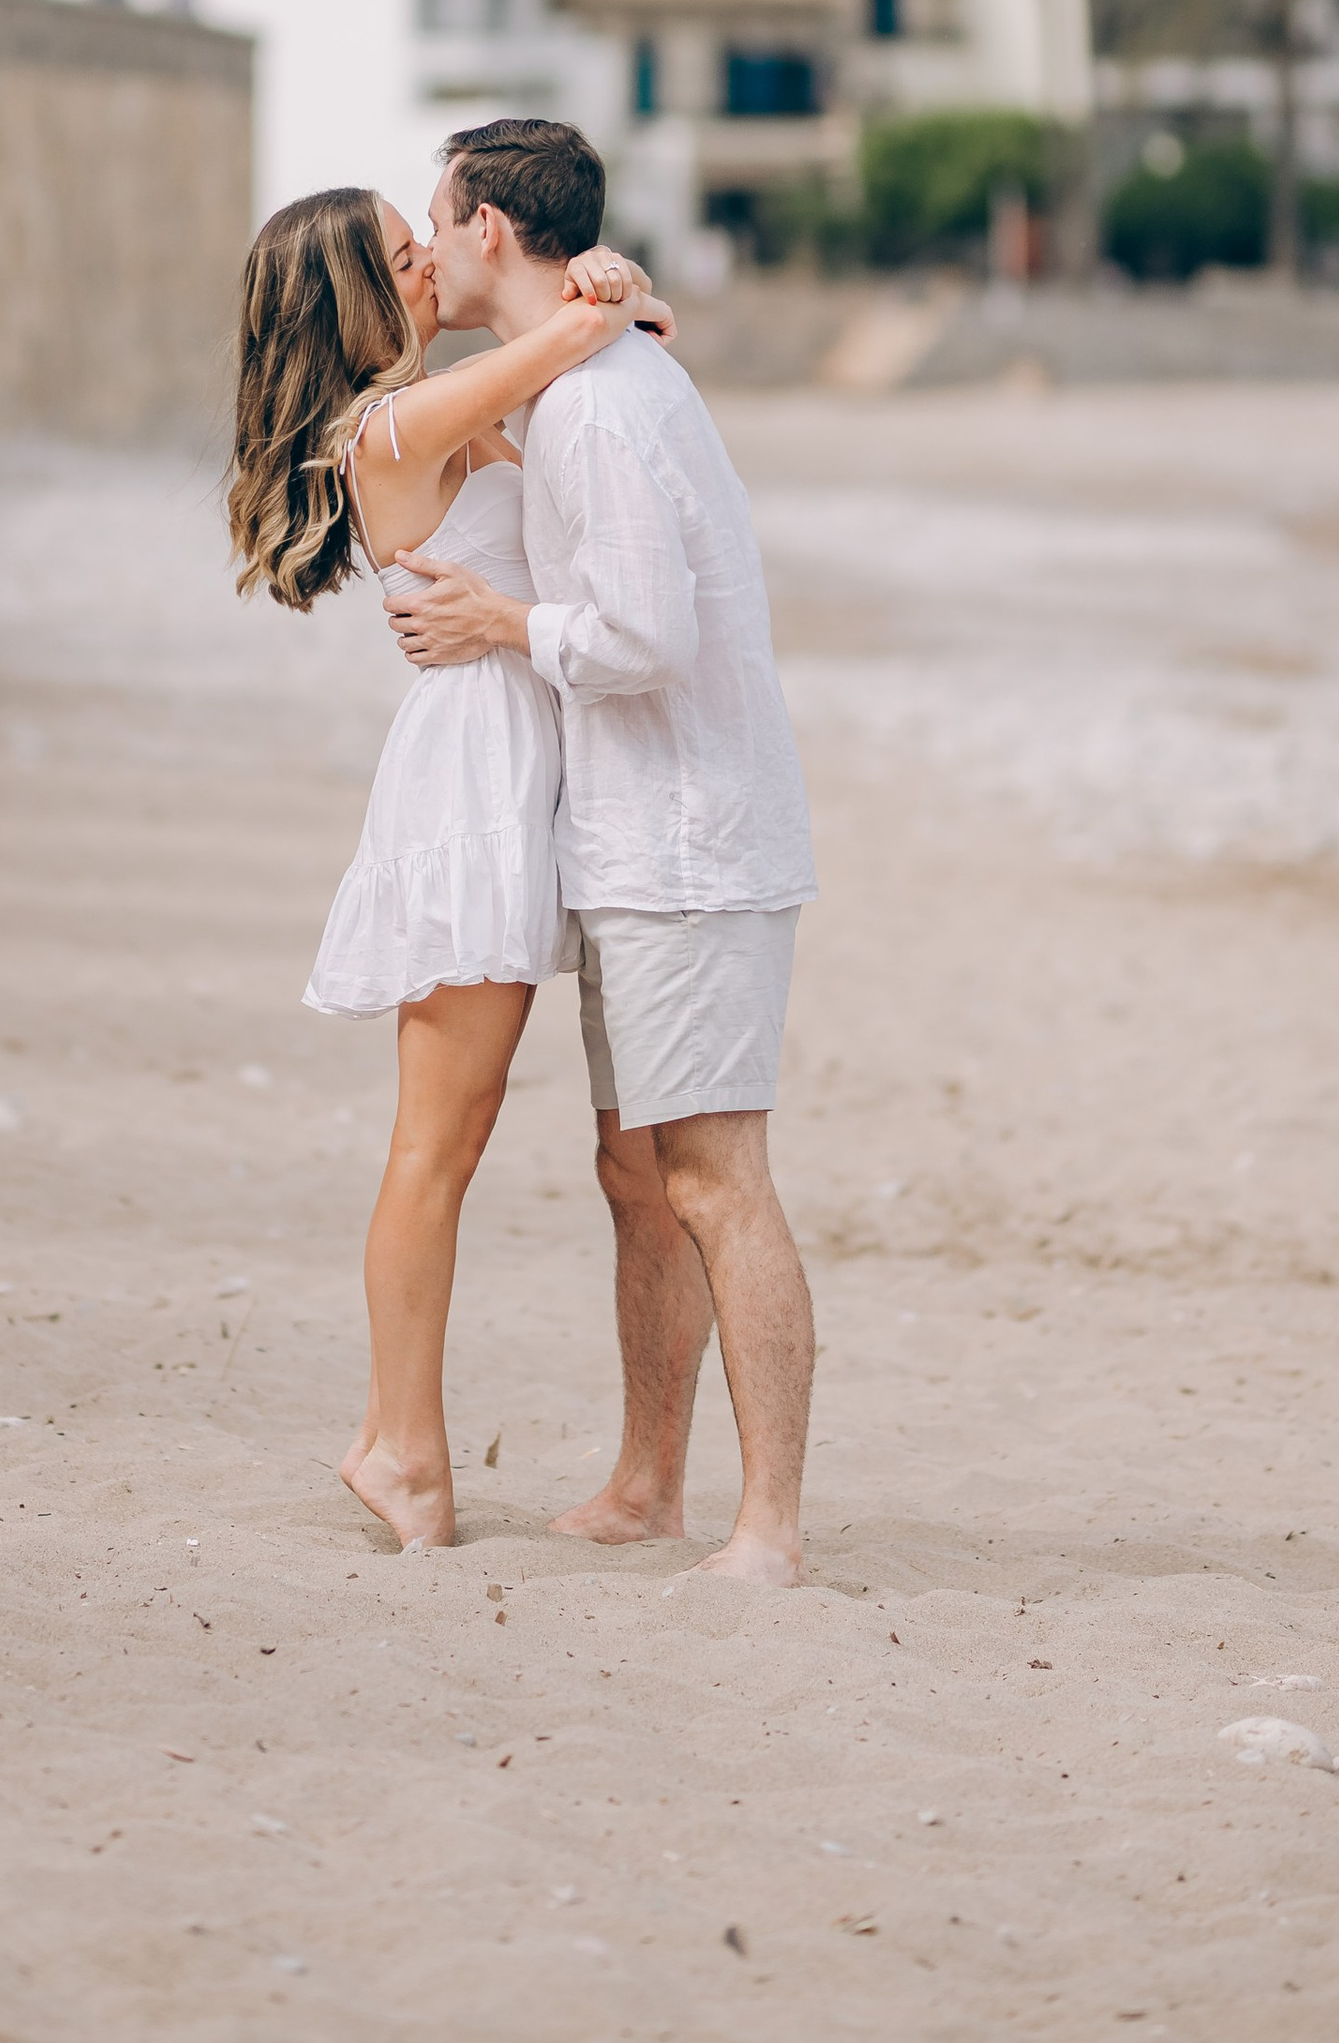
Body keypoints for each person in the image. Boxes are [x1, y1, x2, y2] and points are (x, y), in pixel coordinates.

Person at [385, 117, 819, 1586]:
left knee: (713, 1177)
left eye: (440, 223)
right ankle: (649, 1487)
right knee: (637, 1171)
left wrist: (501, 627)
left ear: (492, 229)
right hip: (637, 836)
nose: (430, 253)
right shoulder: (592, 368)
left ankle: (768, 1529)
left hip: (690, 842)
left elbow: (645, 636)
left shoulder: (599, 407)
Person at [226, 184, 667, 1553]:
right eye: (409, 261)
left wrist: (613, 292)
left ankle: (395, 1441)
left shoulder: (442, 405)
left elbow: (595, 349)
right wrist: (605, 287)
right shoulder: (397, 422)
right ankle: (402, 1449)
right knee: (439, 1145)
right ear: (356, 296)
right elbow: (580, 336)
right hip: (472, 779)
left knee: (449, 1143)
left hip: (511, 759)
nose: (434, 273)